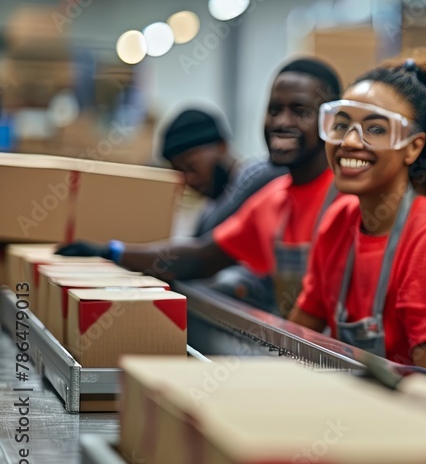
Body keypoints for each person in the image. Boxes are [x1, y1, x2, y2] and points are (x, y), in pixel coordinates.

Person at [57, 57, 342, 316]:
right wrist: (111, 252)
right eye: (274, 110)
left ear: (330, 122)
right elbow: (200, 257)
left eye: (300, 111)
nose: (282, 122)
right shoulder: (271, 200)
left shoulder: (348, 200)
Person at [288, 50, 426, 371]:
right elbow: (296, 339)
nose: (350, 141)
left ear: (412, 147)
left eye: (375, 129)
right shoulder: (338, 221)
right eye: (341, 125)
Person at [160, 107, 285, 237]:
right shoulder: (206, 214)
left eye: (192, 167)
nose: (189, 179)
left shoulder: (258, 176)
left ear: (221, 146)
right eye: (180, 172)